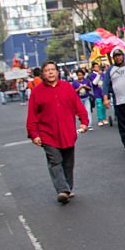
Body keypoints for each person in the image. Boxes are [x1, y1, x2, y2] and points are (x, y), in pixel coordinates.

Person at [26, 62, 89, 204]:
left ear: (57, 72)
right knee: (55, 161)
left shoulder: (67, 87)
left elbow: (78, 106)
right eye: (47, 70)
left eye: (53, 70)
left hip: (67, 132)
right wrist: (34, 134)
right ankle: (62, 190)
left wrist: (84, 121)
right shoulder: (37, 92)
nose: (50, 73)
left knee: (68, 162)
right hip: (47, 134)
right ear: (42, 74)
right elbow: (32, 116)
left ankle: (68, 187)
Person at [90, 62, 109, 127]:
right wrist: (98, 75)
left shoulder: (103, 74)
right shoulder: (92, 75)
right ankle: (100, 119)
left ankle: (104, 118)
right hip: (97, 93)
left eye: (98, 66)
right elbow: (94, 83)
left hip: (103, 93)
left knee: (104, 106)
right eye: (95, 67)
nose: (97, 68)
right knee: (99, 106)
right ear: (93, 68)